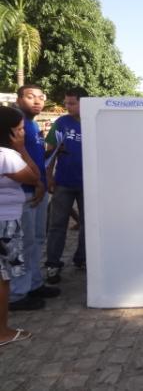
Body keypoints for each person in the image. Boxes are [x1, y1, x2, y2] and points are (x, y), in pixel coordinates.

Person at [9, 85, 60, 311]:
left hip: (37, 189)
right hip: (24, 191)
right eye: (30, 97)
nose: (36, 102)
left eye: (40, 98)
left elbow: (36, 155)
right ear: (19, 99)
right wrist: (37, 181)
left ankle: (34, 283)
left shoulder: (31, 124)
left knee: (37, 239)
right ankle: (17, 294)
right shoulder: (15, 124)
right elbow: (16, 154)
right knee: (24, 242)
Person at [0, 106, 39, 346]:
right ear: (10, 132)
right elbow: (33, 176)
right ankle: (2, 331)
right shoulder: (7, 156)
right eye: (20, 129)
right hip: (5, 222)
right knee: (3, 277)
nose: (23, 132)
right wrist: (22, 149)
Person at [45, 87, 87, 284]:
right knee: (57, 225)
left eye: (72, 103)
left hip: (89, 184)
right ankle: (53, 264)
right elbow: (51, 150)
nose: (67, 106)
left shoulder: (95, 122)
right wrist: (49, 177)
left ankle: (83, 259)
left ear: (84, 102)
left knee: (89, 224)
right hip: (63, 182)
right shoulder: (61, 123)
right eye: (67, 102)